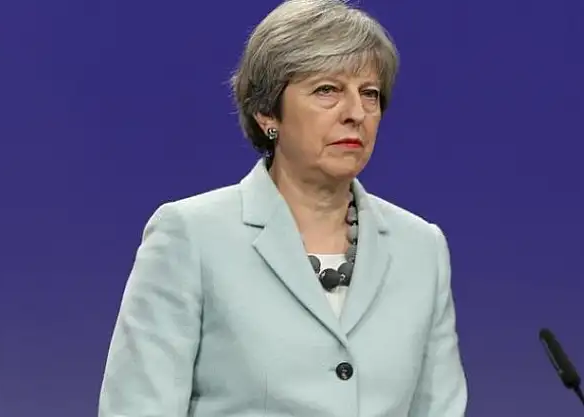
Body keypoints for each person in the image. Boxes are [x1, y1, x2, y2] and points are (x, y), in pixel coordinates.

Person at [97, 0, 468, 416]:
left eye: (370, 94)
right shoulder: (192, 236)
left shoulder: (421, 248)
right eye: (327, 90)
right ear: (267, 112)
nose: (356, 113)